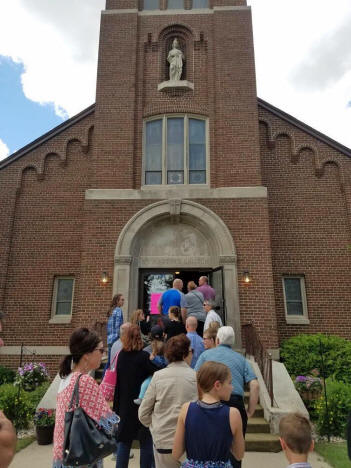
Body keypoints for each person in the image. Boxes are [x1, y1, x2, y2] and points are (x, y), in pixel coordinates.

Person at [53, 328, 119, 468]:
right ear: (87, 355)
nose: (103, 354)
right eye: (101, 350)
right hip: (82, 458)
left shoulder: (67, 378)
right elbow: (109, 422)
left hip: (62, 455)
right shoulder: (84, 381)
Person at [195, 326, 259, 468]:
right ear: (233, 342)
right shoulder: (241, 359)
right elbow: (254, 385)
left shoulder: (206, 355)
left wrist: (198, 400)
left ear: (217, 340)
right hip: (236, 405)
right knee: (236, 451)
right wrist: (250, 411)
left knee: (209, 447)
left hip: (210, 403)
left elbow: (195, 378)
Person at [139, 334, 198, 468]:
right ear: (185, 354)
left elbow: (143, 413)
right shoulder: (196, 377)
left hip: (163, 440)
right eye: (191, 351)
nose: (192, 355)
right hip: (189, 443)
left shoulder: (158, 377)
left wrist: (156, 426)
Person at [172, 361, 245, 468]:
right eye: (229, 383)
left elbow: (176, 453)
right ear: (217, 385)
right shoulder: (233, 414)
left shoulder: (186, 409)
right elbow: (239, 454)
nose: (232, 387)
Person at [113, 325, 157, 468]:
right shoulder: (143, 357)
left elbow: (118, 384)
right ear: (139, 338)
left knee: (124, 442)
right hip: (142, 405)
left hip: (125, 406)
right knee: (145, 442)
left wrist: (116, 408)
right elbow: (157, 372)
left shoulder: (121, 356)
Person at [134, 338, 167, 405]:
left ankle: (141, 398)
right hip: (158, 375)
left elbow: (160, 364)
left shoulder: (158, 358)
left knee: (144, 384)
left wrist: (153, 358)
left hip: (154, 376)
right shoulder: (162, 357)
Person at [106, 294, 125, 370]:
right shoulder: (118, 310)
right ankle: (109, 379)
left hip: (110, 339)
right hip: (116, 339)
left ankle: (105, 378)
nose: (123, 302)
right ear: (117, 301)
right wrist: (121, 338)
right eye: (122, 300)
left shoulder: (112, 310)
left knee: (109, 361)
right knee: (115, 362)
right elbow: (118, 327)